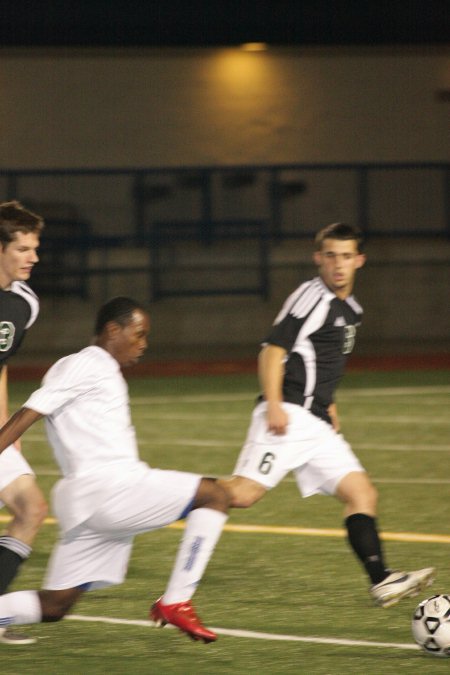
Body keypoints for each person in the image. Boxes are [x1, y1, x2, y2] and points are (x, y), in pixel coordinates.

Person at [220, 222, 434, 608]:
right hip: (288, 414)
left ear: (360, 260)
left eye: (347, 256)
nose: (338, 265)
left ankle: (382, 580)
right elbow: (272, 351)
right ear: (318, 258)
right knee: (243, 495)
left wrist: (328, 402)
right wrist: (273, 403)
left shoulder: (351, 309)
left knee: (361, 492)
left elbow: (321, 358)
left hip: (315, 422)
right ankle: (160, 494)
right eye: (331, 256)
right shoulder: (310, 296)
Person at [0, 296, 229, 643]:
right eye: (138, 335)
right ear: (112, 330)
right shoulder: (85, 363)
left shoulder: (100, 370)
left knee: (55, 605)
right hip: (110, 488)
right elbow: (29, 412)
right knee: (215, 494)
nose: (143, 344)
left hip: (92, 500)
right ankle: (177, 600)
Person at [0, 201, 48, 645]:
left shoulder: (24, 303)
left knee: (32, 508)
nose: (33, 257)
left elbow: (0, 364)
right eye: (23, 248)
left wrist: (5, 433)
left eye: (35, 248)